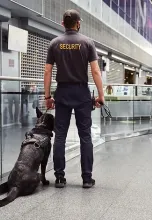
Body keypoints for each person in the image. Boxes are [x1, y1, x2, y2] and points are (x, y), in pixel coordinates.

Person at [43, 9, 104, 189]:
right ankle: (87, 178)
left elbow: (47, 71)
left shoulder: (55, 43)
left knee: (60, 135)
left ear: (63, 24)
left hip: (62, 93)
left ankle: (60, 178)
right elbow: (95, 71)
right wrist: (101, 95)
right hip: (81, 93)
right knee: (85, 135)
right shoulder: (87, 43)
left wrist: (47, 96)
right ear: (78, 23)